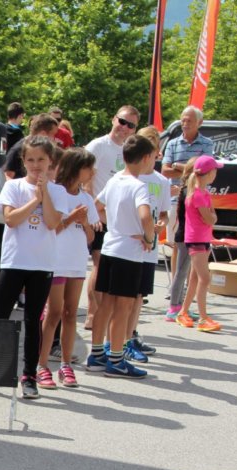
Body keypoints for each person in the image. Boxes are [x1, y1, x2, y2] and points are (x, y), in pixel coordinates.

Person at [0, 136, 61, 399]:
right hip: (14, 261)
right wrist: (34, 201)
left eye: (41, 160)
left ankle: (29, 376)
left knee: (33, 321)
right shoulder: (13, 186)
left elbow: (52, 223)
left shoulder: (57, 191)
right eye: (31, 160)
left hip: (41, 264)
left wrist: (45, 195)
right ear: (23, 161)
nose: (36, 165)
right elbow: (11, 219)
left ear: (50, 161)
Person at [87, 135, 156, 379]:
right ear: (145, 158)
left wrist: (114, 225)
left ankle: (96, 355)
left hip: (110, 247)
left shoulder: (115, 179)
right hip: (128, 253)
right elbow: (146, 216)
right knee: (123, 308)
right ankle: (116, 359)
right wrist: (148, 238)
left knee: (105, 304)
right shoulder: (139, 186)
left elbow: (96, 206)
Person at [37, 148, 98, 389]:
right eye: (88, 168)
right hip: (56, 261)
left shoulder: (87, 198)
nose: (92, 172)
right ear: (76, 168)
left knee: (71, 313)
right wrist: (72, 218)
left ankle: (65, 364)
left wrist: (84, 223)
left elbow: (91, 237)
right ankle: (42, 365)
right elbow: (52, 228)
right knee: (54, 313)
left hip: (77, 262)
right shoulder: (56, 192)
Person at [83, 105, 140, 330]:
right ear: (113, 120)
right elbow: (85, 180)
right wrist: (91, 213)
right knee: (99, 265)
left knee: (110, 269)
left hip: (120, 221)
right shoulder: (98, 146)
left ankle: (106, 316)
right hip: (98, 216)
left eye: (130, 125)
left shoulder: (131, 150)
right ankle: (92, 313)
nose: (124, 128)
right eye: (122, 122)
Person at [161, 106, 213, 321]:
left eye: (189, 120)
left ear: (199, 122)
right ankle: (176, 295)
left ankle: (181, 300)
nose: (185, 123)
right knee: (177, 248)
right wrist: (190, 169)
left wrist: (179, 166)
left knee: (188, 257)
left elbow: (204, 168)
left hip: (191, 200)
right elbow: (165, 170)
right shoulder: (173, 143)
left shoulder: (207, 143)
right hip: (177, 200)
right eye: (183, 120)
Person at [124, 125, 171, 360]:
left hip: (149, 248)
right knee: (125, 296)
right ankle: (121, 340)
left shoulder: (161, 181)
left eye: (155, 145)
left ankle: (131, 335)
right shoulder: (128, 177)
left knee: (139, 295)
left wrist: (160, 225)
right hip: (130, 245)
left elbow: (163, 213)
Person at [176, 155, 223, 332]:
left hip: (203, 238)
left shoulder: (204, 193)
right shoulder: (197, 194)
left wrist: (212, 217)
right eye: (215, 170)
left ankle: (183, 312)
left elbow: (212, 217)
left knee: (196, 278)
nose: (216, 173)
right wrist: (212, 217)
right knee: (205, 278)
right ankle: (203, 318)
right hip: (196, 239)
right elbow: (210, 217)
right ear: (209, 173)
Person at [4, 114, 59, 180]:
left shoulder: (49, 150)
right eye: (53, 134)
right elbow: (8, 176)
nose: (54, 139)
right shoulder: (19, 149)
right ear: (43, 134)